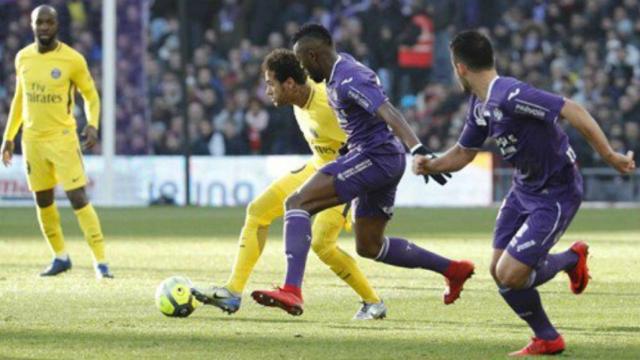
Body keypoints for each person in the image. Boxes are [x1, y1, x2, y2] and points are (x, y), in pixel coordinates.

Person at [415, 30, 636, 356]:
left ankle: (570, 261)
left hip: (557, 191)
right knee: (498, 272)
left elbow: (571, 109)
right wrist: (431, 165)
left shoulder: (510, 94)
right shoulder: (480, 104)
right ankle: (547, 337)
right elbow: (464, 153)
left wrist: (610, 156)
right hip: (524, 188)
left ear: (460, 67)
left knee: (511, 274)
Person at [251, 24, 474, 316]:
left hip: (375, 156)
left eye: (302, 62)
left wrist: (417, 148)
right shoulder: (336, 74)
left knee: (296, 203)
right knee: (369, 246)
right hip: (377, 157)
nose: (302, 70)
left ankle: (292, 290)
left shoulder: (348, 78)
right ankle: (452, 269)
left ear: (313, 55)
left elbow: (388, 111)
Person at [192, 49, 387, 320]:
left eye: (271, 83)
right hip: (318, 166)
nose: (267, 90)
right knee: (257, 211)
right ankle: (233, 292)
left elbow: (370, 135)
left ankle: (373, 302)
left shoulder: (328, 103)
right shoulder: (300, 99)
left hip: (344, 176)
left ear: (290, 84)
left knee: (322, 245)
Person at [1, 5, 113, 279]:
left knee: (78, 198)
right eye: (40, 23)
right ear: (32, 25)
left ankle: (101, 262)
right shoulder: (23, 58)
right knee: (43, 199)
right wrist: (8, 137)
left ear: (57, 25)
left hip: (62, 139)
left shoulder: (72, 60)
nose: (45, 28)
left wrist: (92, 125)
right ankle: (60, 256)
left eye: (49, 22)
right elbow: (19, 99)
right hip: (32, 140)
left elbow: (91, 95)